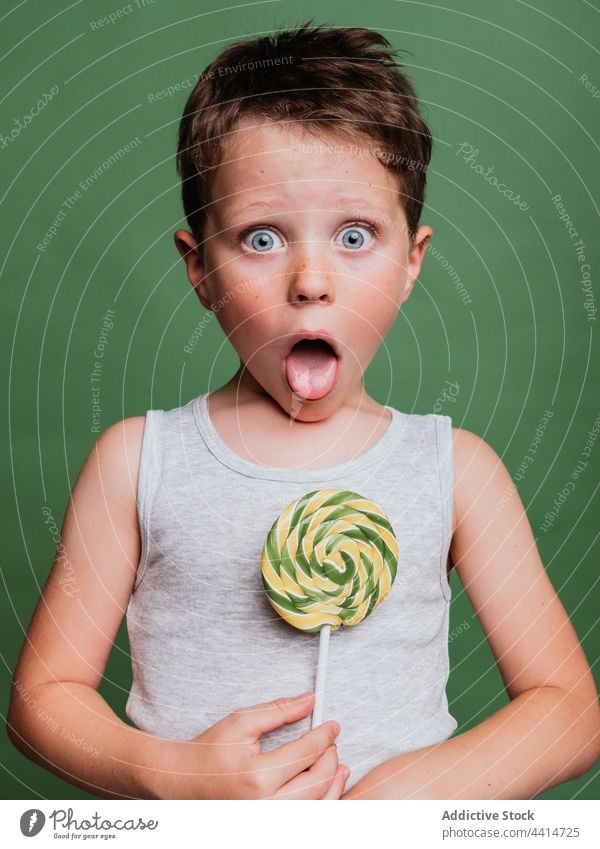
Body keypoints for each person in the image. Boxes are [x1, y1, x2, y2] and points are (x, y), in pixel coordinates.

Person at [7, 21, 599, 801]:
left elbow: (569, 712)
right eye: (260, 238)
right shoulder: (137, 463)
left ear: (411, 262)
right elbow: (41, 699)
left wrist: (407, 796)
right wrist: (177, 773)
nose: (311, 280)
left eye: (355, 236)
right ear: (200, 269)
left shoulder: (455, 472)